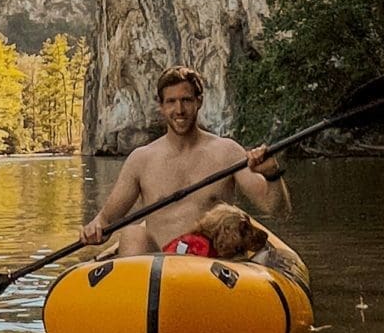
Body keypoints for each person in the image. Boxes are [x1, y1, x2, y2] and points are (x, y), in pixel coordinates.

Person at [80, 65, 289, 256]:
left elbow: (277, 210)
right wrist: (96, 228)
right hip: (161, 268)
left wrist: (272, 174)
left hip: (211, 268)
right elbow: (106, 219)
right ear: (161, 106)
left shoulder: (228, 152)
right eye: (171, 101)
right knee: (133, 234)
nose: (179, 110)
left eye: (186, 100)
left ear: (199, 101)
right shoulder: (141, 159)